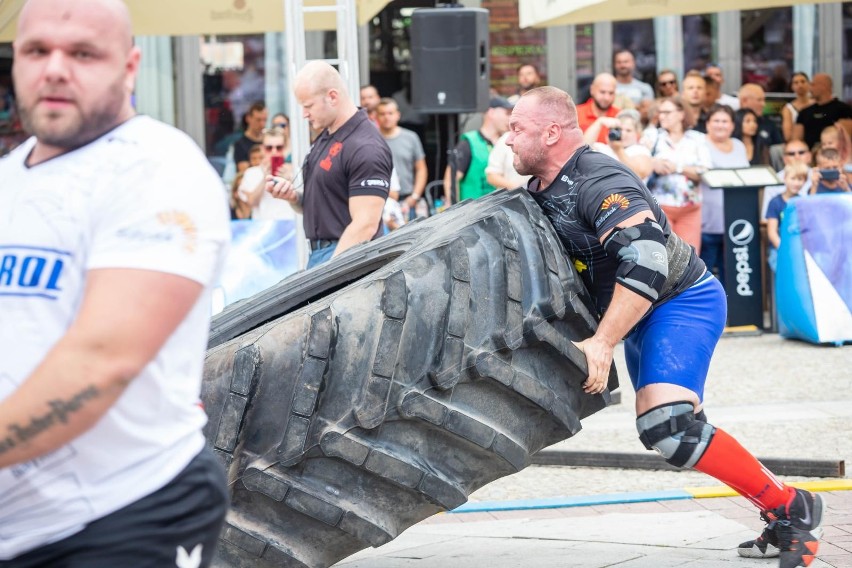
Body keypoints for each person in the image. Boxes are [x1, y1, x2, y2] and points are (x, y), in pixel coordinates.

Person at [506, 85, 824, 568]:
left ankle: (793, 508)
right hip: (636, 313)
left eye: (517, 128)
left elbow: (648, 261)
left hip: (680, 301)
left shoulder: (599, 180)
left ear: (551, 133)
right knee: (672, 431)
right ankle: (783, 507)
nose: (508, 139)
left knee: (668, 425)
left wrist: (602, 343)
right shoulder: (544, 187)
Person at [0, 0, 231, 566]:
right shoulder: (10, 179)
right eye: (36, 51)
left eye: (82, 53)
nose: (54, 69)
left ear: (129, 67)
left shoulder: (159, 172)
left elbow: (101, 363)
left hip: (125, 511)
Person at [266, 62, 392, 268]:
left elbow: (365, 225)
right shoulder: (328, 136)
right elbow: (325, 206)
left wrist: (329, 275)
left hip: (347, 258)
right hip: (326, 254)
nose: (304, 114)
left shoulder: (366, 147)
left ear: (332, 97)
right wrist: (293, 197)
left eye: (308, 106)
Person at [642, 96, 711, 252]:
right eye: (660, 112)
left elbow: (705, 172)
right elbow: (637, 163)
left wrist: (678, 167)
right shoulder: (652, 136)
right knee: (662, 256)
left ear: (681, 114)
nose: (662, 116)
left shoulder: (697, 139)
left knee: (690, 257)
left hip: (690, 209)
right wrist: (653, 163)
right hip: (659, 208)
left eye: (667, 112)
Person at [701, 104, 750, 283]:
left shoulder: (738, 146)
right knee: (704, 272)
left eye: (725, 121)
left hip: (734, 222)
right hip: (707, 221)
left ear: (732, 126)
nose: (720, 125)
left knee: (732, 273)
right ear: (707, 124)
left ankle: (730, 310)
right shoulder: (700, 144)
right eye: (716, 121)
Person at [443, 96, 513, 202]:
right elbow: (451, 180)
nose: (510, 118)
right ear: (491, 112)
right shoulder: (469, 143)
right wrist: (455, 209)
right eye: (507, 113)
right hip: (473, 212)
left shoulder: (507, 142)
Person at [376, 98, 427, 218]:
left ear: (398, 115)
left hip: (407, 199)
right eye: (382, 114)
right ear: (376, 117)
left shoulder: (411, 137)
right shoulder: (371, 139)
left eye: (390, 113)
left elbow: (421, 168)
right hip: (381, 200)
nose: (386, 117)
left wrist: (415, 196)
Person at [237, 126, 295, 220]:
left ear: (285, 148)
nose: (274, 152)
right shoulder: (251, 173)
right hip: (263, 228)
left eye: (279, 147)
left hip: (290, 227)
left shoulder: (295, 171)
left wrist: (291, 179)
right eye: (269, 148)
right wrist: (264, 179)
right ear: (262, 149)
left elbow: (304, 200)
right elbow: (250, 202)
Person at [586, 109, 653, 184]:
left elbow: (640, 173)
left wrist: (618, 150)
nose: (623, 134)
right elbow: (582, 150)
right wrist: (599, 122)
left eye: (628, 130)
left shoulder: (641, 150)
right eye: (619, 129)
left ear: (637, 133)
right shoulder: (603, 148)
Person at [766, 162, 809, 271]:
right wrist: (784, 249)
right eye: (793, 178)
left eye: (800, 179)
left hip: (799, 252)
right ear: (785, 178)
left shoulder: (803, 202)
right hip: (779, 251)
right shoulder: (775, 202)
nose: (796, 183)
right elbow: (772, 232)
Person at [793, 74, 852, 151]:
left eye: (813, 84)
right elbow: (795, 139)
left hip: (834, 153)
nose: (810, 88)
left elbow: (846, 138)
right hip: (808, 155)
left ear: (824, 86)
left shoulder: (843, 110)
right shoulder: (804, 112)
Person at [761, 139, 813, 220]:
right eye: (791, 154)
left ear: (809, 156)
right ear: (784, 159)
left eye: (801, 152)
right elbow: (765, 219)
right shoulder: (774, 181)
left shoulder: (819, 177)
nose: (797, 157)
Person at [576, 73, 620, 144]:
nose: (606, 98)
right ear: (592, 90)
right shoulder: (576, 114)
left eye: (611, 93)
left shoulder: (620, 115)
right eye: (602, 92)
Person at [233, 100, 268, 173]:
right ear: (248, 118)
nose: (262, 124)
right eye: (258, 120)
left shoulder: (269, 141)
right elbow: (244, 171)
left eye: (265, 120)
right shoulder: (240, 144)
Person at [781, 72, 814, 142]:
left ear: (809, 84)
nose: (800, 85)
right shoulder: (788, 109)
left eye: (803, 81)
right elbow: (787, 136)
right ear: (792, 87)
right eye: (796, 83)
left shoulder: (817, 104)